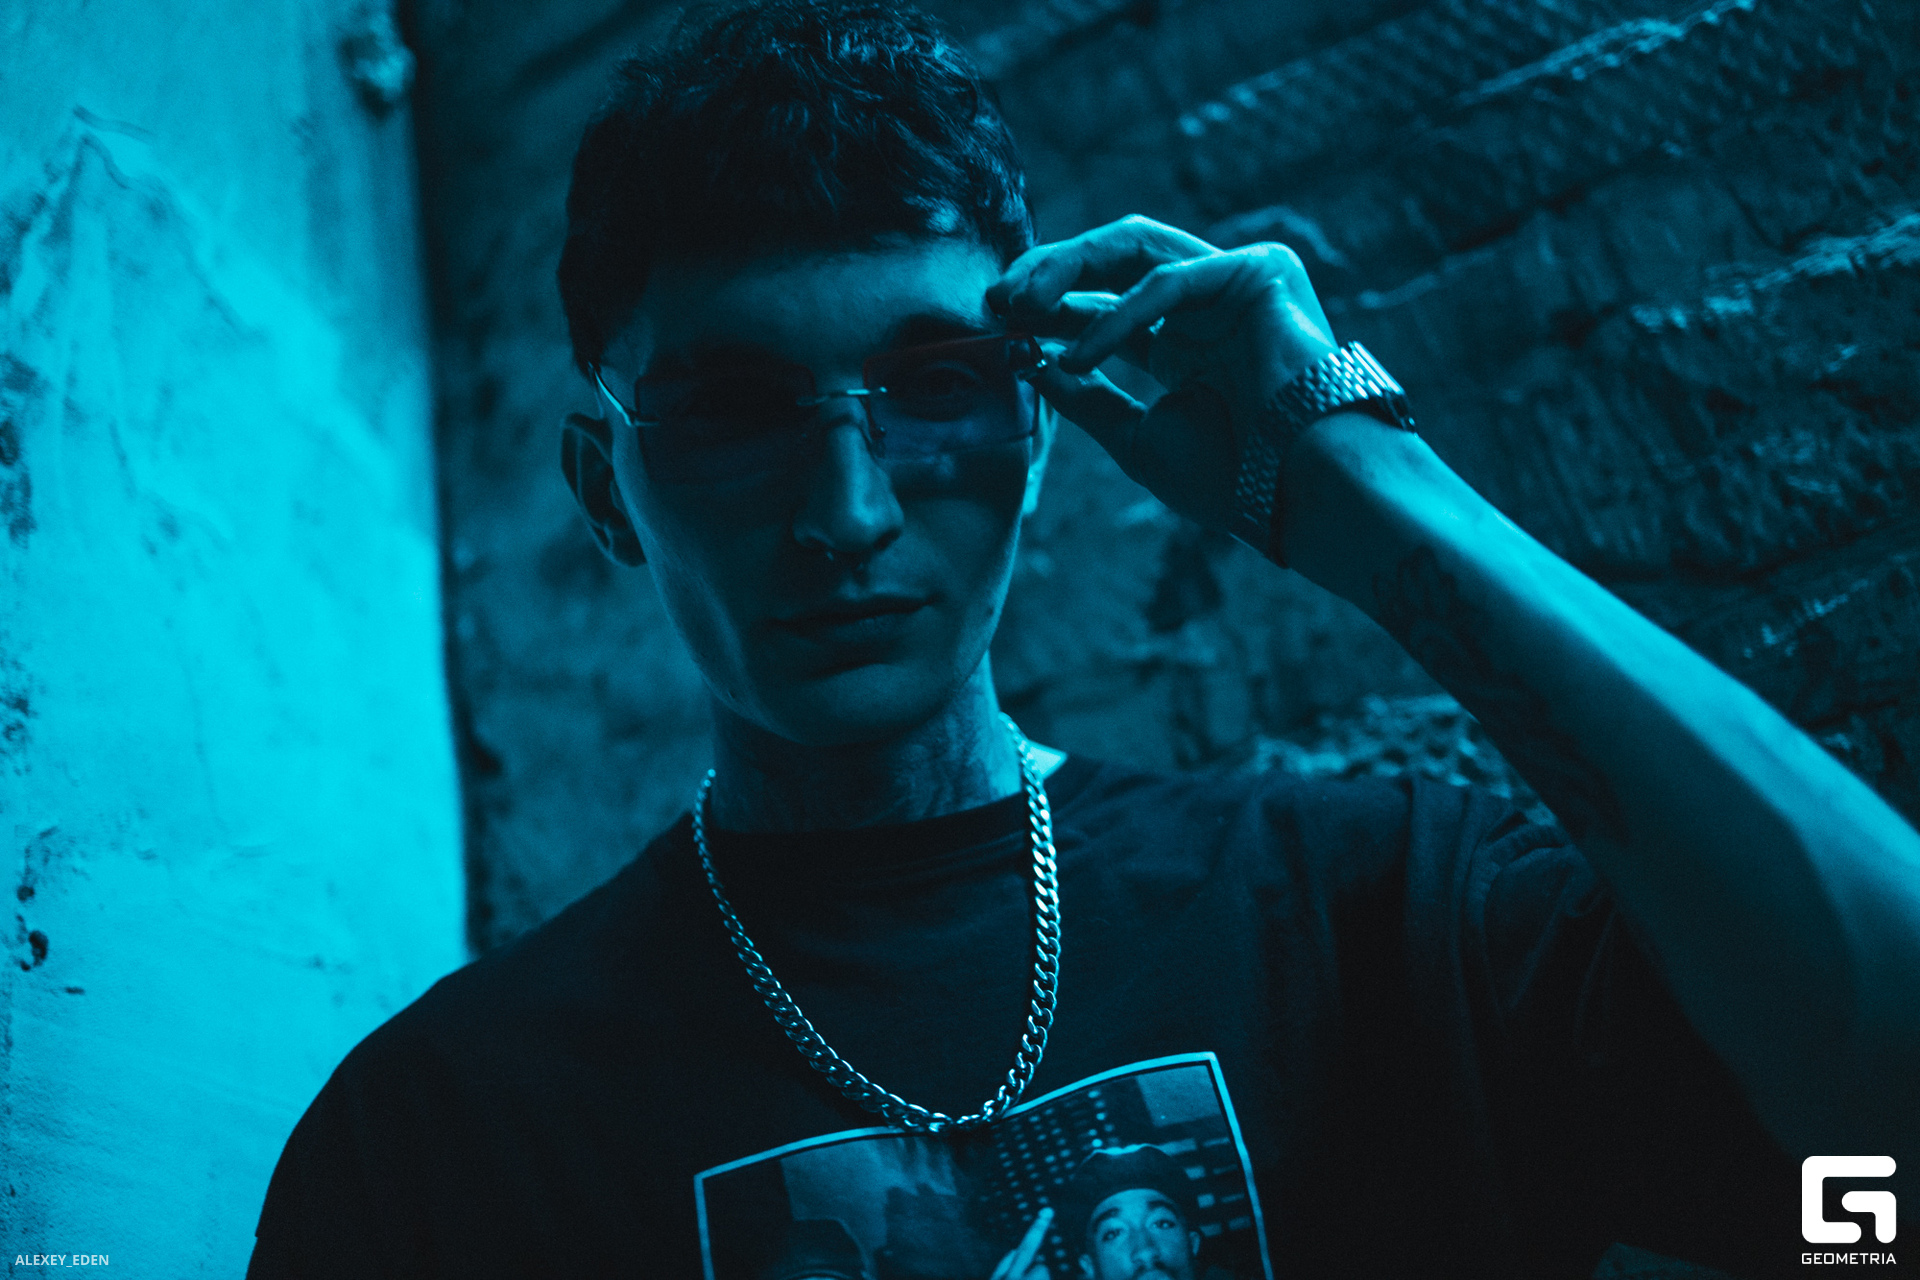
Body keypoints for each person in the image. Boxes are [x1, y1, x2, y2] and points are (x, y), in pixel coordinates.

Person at [245, 2, 1920, 1278]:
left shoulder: (1384, 927)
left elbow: (1885, 1166)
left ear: (1040, 430)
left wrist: (1365, 484)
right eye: (735, 414)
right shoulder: (438, 1143)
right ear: (607, 492)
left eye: (932, 390)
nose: (846, 510)